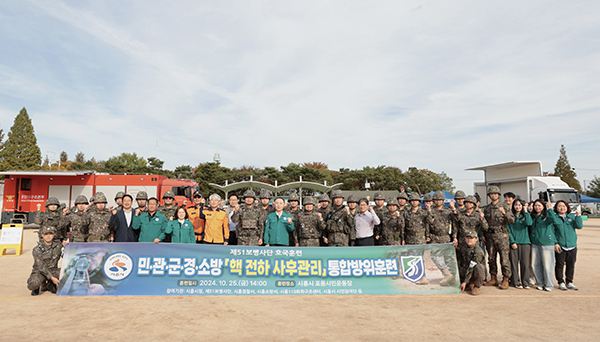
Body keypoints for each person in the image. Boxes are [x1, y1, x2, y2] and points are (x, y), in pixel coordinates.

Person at [482, 186, 515, 290]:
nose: (493, 195)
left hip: (502, 236)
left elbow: (511, 220)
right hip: (489, 236)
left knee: (504, 259)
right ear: (489, 195)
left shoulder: (505, 206)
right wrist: (483, 234)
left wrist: (504, 213)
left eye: (495, 194)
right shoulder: (486, 208)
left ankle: (505, 279)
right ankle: (493, 278)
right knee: (491, 258)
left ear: (498, 195)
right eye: (491, 194)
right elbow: (484, 222)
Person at [452, 195, 487, 283]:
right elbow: (455, 227)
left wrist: (482, 219)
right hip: (462, 241)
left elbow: (485, 227)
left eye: (471, 203)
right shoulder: (460, 214)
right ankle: (464, 281)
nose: (468, 204)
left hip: (473, 242)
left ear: (474, 204)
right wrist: (455, 238)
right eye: (467, 202)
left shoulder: (477, 215)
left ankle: (474, 281)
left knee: (475, 261)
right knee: (462, 262)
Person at [549, 200, 583, 291]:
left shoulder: (571, 217)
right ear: (556, 208)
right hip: (561, 246)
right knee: (559, 264)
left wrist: (578, 216)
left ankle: (569, 282)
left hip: (572, 245)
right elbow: (552, 231)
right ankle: (561, 282)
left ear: (567, 208)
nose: (562, 208)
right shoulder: (555, 218)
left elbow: (579, 226)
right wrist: (556, 243)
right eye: (559, 206)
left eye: (564, 206)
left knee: (571, 264)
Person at [428, 191, 457, 286]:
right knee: (434, 255)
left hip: (446, 237)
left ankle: (452, 278)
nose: (438, 201)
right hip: (434, 237)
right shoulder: (430, 210)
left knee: (449, 258)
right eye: (436, 199)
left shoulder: (448, 211)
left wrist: (454, 237)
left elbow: (456, 222)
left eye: (440, 199)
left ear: (443, 200)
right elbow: (426, 224)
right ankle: (446, 274)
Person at [530, 199, 557, 291]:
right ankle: (540, 283)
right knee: (535, 264)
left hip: (547, 243)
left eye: (539, 205)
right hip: (535, 243)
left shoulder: (547, 215)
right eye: (535, 206)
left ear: (543, 206)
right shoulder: (533, 216)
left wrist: (550, 209)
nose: (537, 207)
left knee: (547, 265)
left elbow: (554, 220)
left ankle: (549, 285)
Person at [27, 226, 62, 296]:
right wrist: (52, 278)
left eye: (50, 234)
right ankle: (38, 286)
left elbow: (67, 253)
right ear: (42, 235)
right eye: (46, 234)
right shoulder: (37, 249)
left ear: (54, 234)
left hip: (53, 270)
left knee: (69, 273)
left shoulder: (58, 245)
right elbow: (41, 267)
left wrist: (67, 245)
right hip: (40, 272)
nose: (48, 236)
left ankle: (50, 284)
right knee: (32, 285)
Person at [508, 199, 532, 289]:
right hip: (514, 243)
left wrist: (526, 212)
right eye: (516, 205)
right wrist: (512, 241)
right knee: (514, 264)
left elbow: (529, 223)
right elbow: (508, 230)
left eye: (519, 205)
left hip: (525, 243)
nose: (517, 206)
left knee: (525, 264)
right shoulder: (511, 217)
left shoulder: (525, 215)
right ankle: (516, 281)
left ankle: (525, 282)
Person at [459, 230, 486, 296]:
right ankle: (469, 283)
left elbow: (471, 267)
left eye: (471, 238)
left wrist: (465, 282)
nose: (469, 240)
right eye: (467, 238)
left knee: (479, 267)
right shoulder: (464, 247)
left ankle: (477, 286)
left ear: (476, 239)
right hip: (466, 270)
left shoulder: (478, 251)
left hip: (474, 271)